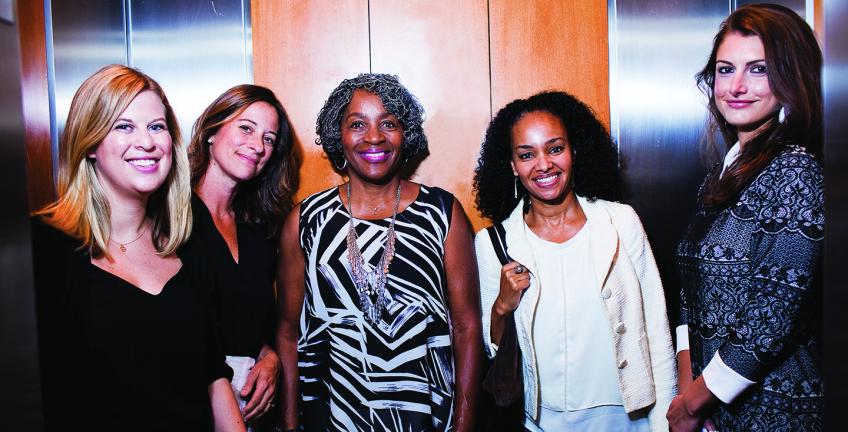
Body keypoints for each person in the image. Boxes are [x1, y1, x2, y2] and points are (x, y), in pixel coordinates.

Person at [31, 64, 245, 431]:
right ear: (91, 142)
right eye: (124, 126)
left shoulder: (188, 239)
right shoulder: (43, 247)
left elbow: (213, 376)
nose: (146, 142)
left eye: (156, 127)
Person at [276, 73, 482, 431]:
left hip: (425, 419)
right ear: (337, 135)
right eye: (357, 124)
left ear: (406, 135)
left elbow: (466, 326)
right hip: (331, 418)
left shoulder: (442, 213)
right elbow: (288, 333)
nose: (374, 137)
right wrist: (291, 425)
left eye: (389, 123)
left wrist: (463, 425)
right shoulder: (307, 221)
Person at [474, 91, 676, 432]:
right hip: (541, 422)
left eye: (555, 149)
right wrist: (501, 308)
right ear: (511, 165)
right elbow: (493, 349)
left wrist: (666, 419)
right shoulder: (495, 243)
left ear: (574, 151)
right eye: (527, 154)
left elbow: (656, 327)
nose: (543, 164)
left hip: (628, 418)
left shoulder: (620, 222)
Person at [667, 4, 824, 431]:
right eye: (725, 69)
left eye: (758, 70)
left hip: (775, 412)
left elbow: (771, 314)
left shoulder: (794, 170)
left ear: (791, 78)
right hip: (712, 410)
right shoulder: (723, 174)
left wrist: (694, 403)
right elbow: (689, 292)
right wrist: (690, 395)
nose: (736, 86)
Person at [186, 84, 296, 430]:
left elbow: (249, 322)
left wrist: (270, 357)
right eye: (246, 128)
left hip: (250, 411)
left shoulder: (260, 230)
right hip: (189, 403)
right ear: (212, 131)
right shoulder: (170, 219)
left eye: (268, 138)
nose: (257, 145)